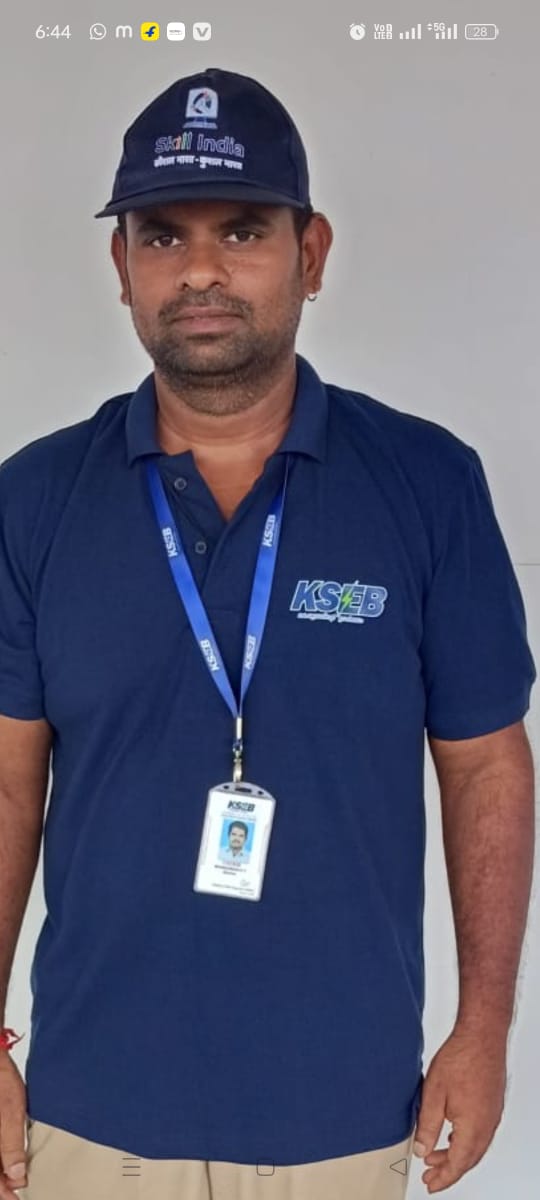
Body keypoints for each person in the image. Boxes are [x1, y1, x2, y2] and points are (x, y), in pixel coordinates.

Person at [0, 65, 536, 1200]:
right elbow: (6, 783)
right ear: (121, 267)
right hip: (92, 1108)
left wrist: (485, 1028)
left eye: (241, 231)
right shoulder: (34, 498)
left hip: (341, 1107)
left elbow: (487, 766)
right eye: (162, 236)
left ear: (312, 253)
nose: (199, 271)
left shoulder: (427, 483)